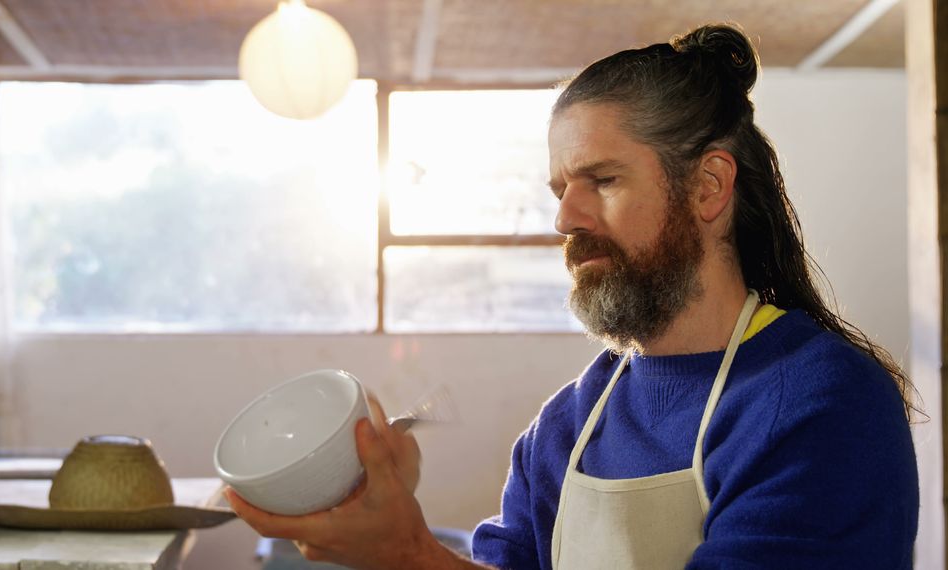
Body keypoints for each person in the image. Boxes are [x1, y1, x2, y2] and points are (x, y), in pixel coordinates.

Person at [226, 23, 920, 569]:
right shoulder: (571, 422)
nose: (565, 219)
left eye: (604, 181)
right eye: (561, 190)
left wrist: (409, 556)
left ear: (709, 187)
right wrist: (387, 539)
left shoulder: (820, 405)